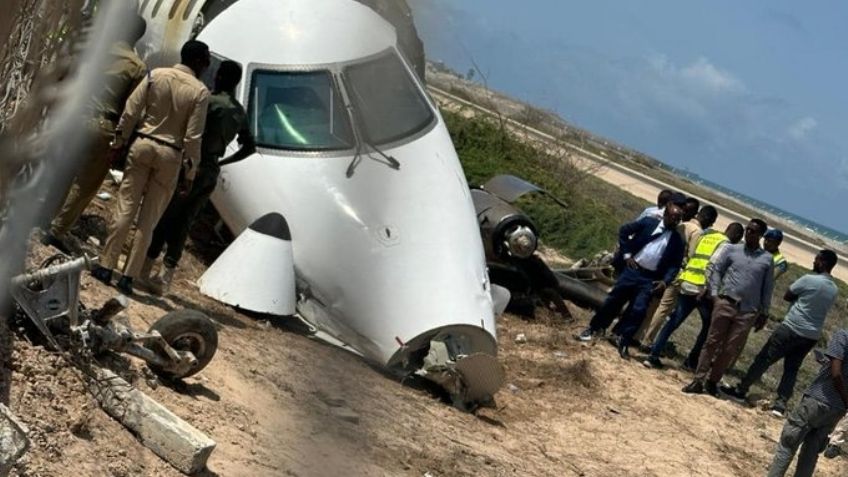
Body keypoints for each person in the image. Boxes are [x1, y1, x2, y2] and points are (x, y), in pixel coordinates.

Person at [90, 40, 211, 295]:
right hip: (171, 154)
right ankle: (128, 277)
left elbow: (131, 111)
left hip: (143, 144)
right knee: (149, 219)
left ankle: (105, 266)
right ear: (199, 62)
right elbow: (192, 137)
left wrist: (120, 141)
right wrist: (190, 173)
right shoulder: (200, 92)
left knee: (126, 207)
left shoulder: (156, 75)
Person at [142, 60, 256, 295]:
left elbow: (192, 132)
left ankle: (145, 267)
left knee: (166, 215)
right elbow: (249, 147)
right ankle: (166, 275)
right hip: (211, 170)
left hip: (191, 166)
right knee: (185, 222)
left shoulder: (209, 102)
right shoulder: (238, 111)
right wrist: (221, 161)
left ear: (219, 76)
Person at [41, 15, 148, 252]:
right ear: (139, 37)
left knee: (61, 170)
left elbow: (63, 76)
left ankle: (42, 217)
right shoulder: (136, 66)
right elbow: (131, 109)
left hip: (73, 117)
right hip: (103, 127)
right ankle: (57, 230)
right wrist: (122, 141)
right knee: (86, 182)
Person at [722, 250, 838, 416]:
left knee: (764, 359)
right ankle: (780, 405)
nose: (814, 262)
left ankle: (741, 390)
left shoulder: (808, 279)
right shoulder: (834, 289)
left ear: (822, 262)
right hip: (811, 335)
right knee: (791, 369)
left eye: (816, 259)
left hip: (792, 327)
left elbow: (787, 295)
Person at [576, 203, 685, 359]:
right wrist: (626, 254)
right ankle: (594, 329)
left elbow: (675, 265)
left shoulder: (677, 240)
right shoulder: (648, 222)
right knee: (614, 301)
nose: (676, 222)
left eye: (678, 219)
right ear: (666, 215)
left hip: (649, 279)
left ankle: (622, 339)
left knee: (639, 310)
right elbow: (624, 231)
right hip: (632, 271)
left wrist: (665, 282)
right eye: (674, 218)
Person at [682, 218, 774, 397]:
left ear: (761, 235)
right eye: (748, 230)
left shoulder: (767, 259)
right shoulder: (732, 249)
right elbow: (717, 270)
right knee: (711, 343)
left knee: (729, 349)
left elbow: (768, 287)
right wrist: (715, 295)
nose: (749, 233)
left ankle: (712, 382)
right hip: (725, 303)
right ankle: (698, 380)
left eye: (753, 231)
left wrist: (764, 312)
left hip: (747, 311)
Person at [641, 206, 729, 370]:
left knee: (672, 319)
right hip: (701, 288)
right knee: (708, 326)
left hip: (686, 280)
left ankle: (653, 354)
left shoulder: (705, 235)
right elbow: (713, 266)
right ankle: (693, 361)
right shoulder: (722, 243)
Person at [767, 329, 848, 477]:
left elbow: (836, 373)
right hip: (837, 409)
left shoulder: (843, 335)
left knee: (787, 446)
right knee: (810, 455)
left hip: (817, 400)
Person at [635, 197, 704, 347]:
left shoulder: (679, 224)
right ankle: (647, 340)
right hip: (676, 271)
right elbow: (691, 255)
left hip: (664, 268)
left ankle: (637, 334)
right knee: (663, 307)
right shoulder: (696, 231)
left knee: (652, 304)